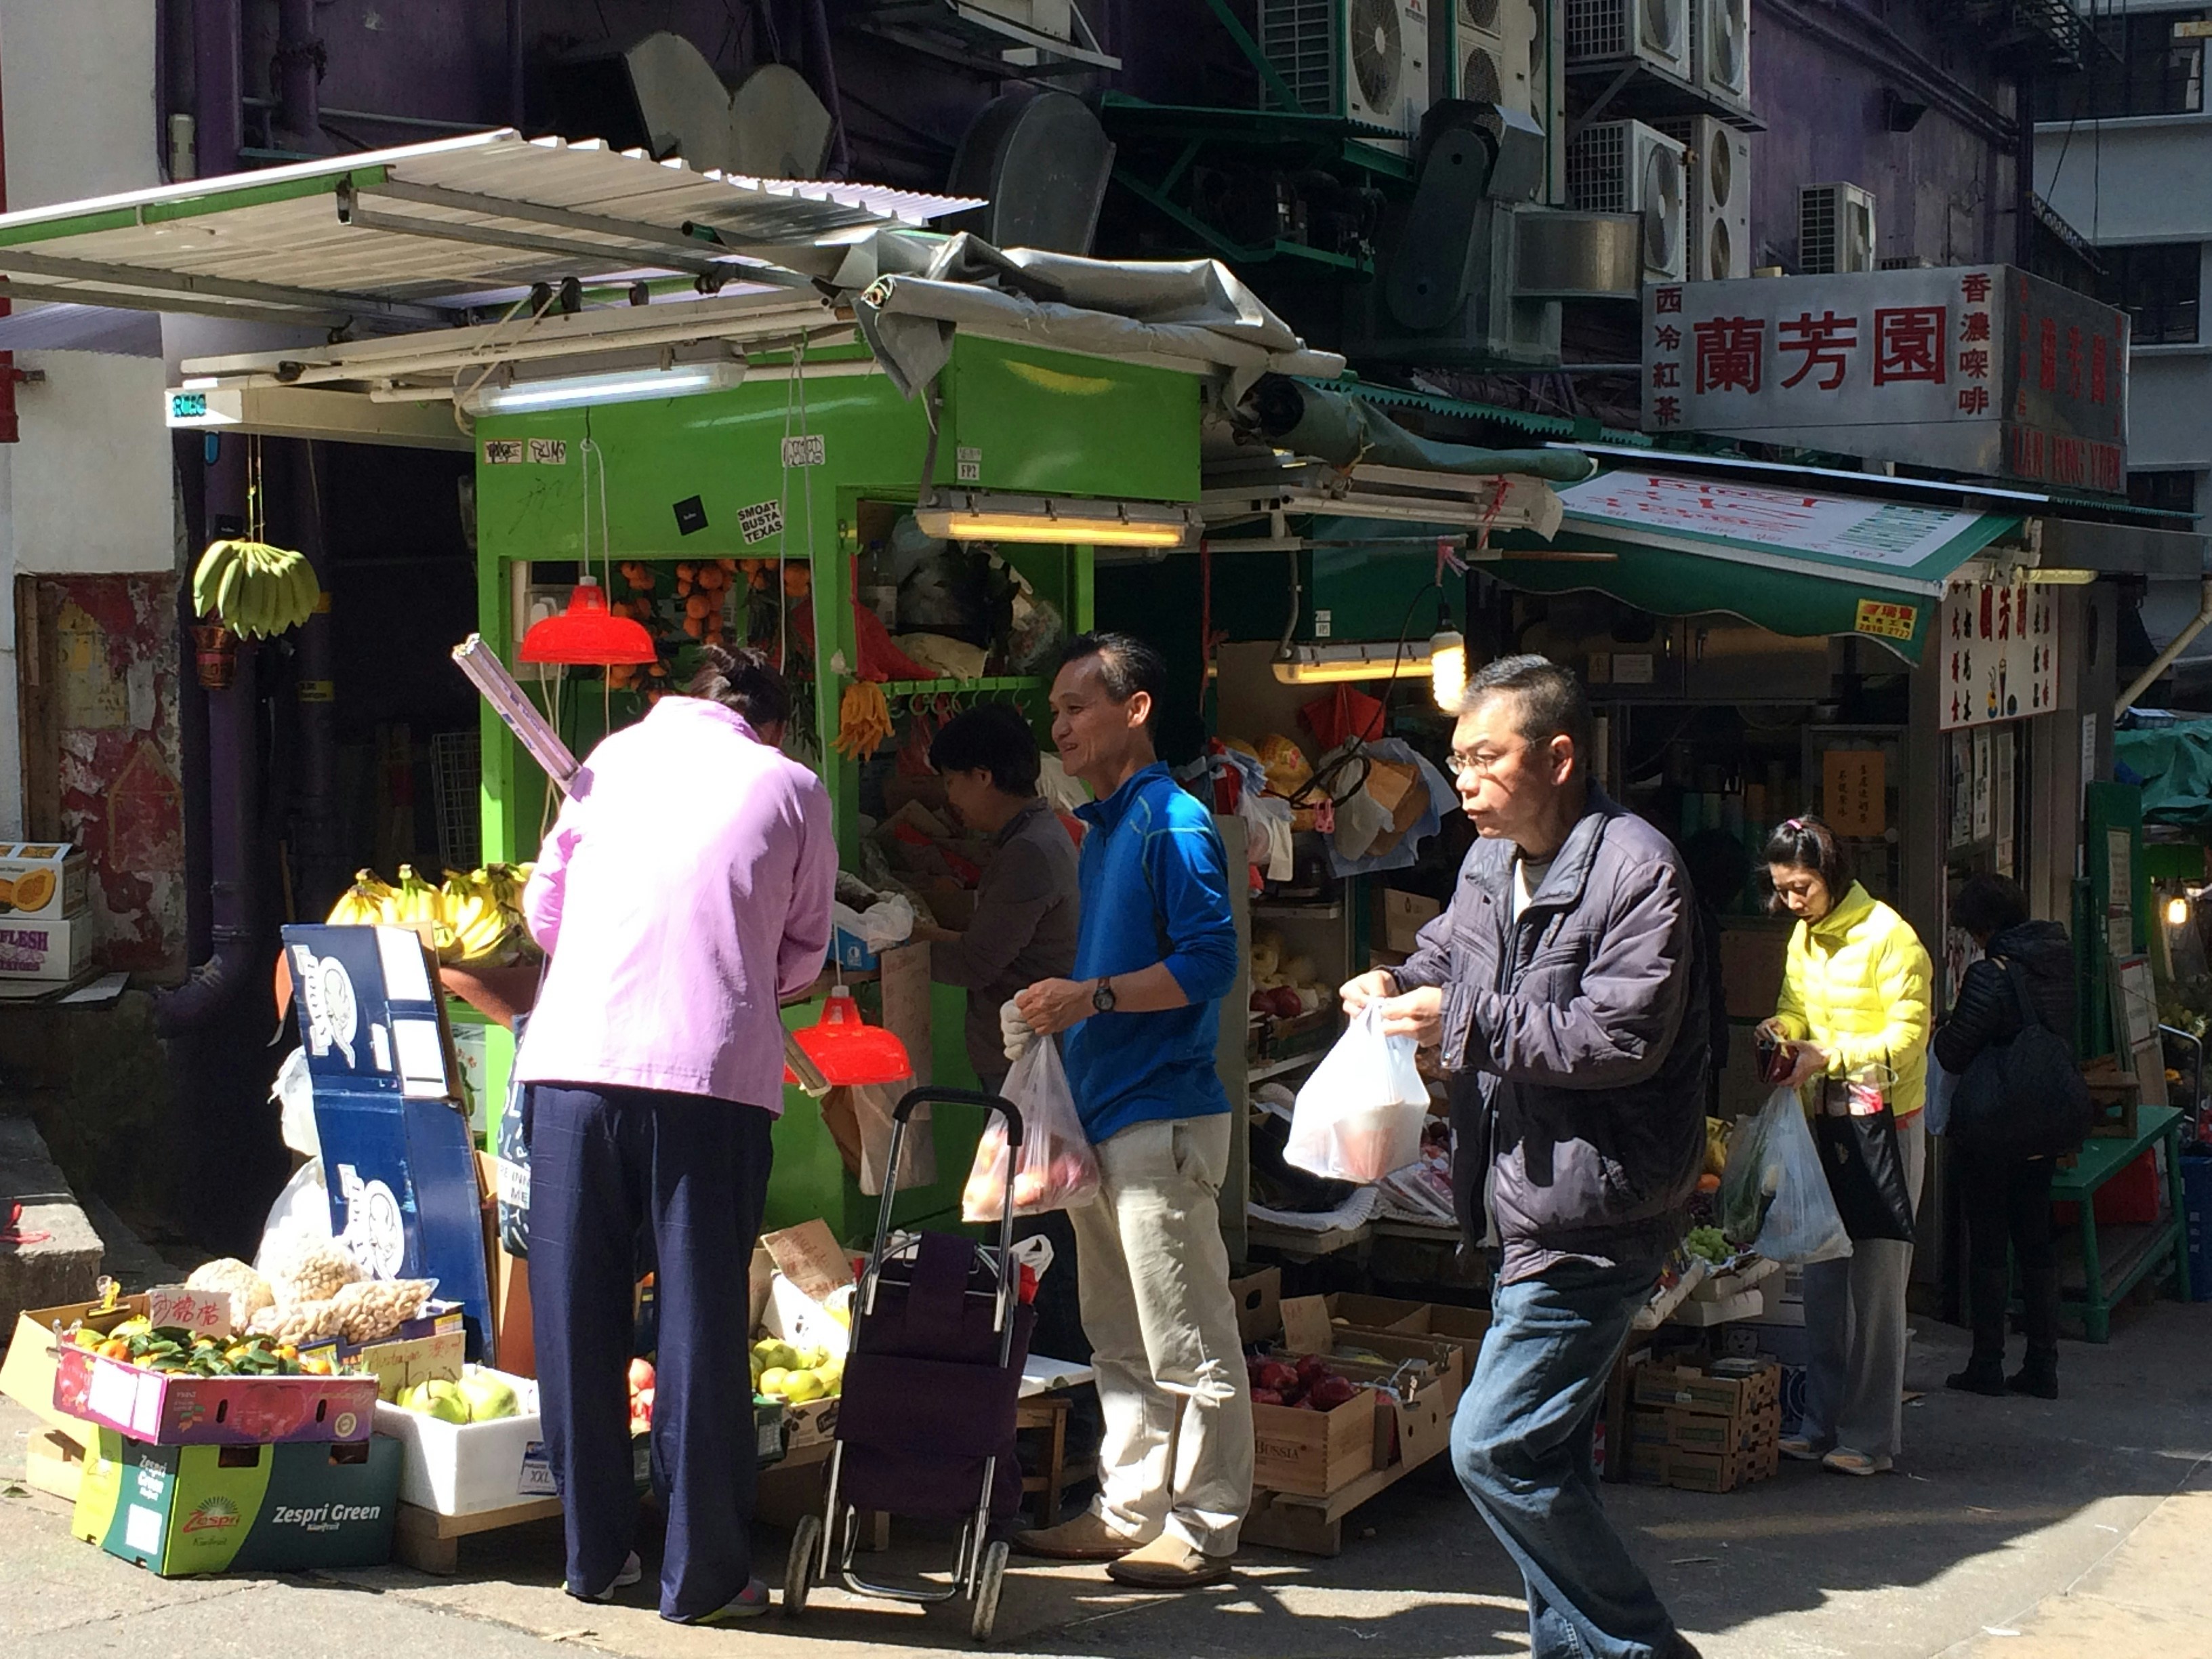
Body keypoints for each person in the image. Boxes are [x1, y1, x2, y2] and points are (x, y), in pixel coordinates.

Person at [1341, 653, 1708, 1659]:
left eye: (1485, 759)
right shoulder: (1481, 863)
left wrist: (1454, 1021)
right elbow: (1445, 963)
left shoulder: (1638, 871)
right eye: (1456, 758)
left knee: (1494, 1448)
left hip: (1599, 1208)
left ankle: (1644, 1651)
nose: (1463, 781)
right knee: (1547, 1461)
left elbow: (1619, 1037)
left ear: (1557, 756)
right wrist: (1388, 984)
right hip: (1519, 1200)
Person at [516, 644, 835, 1624]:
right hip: (711, 1081)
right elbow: (805, 953)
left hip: (573, 1069)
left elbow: (543, 915)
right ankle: (701, 1580)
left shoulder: (606, 762)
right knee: (700, 1327)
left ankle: (592, 1557)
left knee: (577, 1318)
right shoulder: (793, 786)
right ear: (767, 725)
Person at [1004, 630, 1249, 1591]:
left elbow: (1211, 965)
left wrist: (1092, 997)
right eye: (1056, 712)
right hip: (1102, 1116)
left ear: (1135, 710)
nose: (1059, 726)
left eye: (1076, 706)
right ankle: (1126, 1510)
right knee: (1118, 1333)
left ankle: (1204, 1523)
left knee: (1189, 1334)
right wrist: (1058, 1006)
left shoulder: (1172, 822)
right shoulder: (1103, 828)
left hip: (1162, 1112)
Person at [1758, 816, 1933, 1477]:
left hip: (1885, 1128)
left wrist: (1825, 1055)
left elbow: (1907, 1038)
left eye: (1800, 887)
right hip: (1823, 1122)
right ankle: (1820, 1421)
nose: (1792, 902)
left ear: (1831, 875)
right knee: (1825, 1281)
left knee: (1878, 1288)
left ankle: (1869, 1437)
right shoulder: (1805, 938)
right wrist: (1781, 1032)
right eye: (1782, 890)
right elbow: (1792, 1005)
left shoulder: (1892, 938)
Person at [1932, 873, 2072, 1400]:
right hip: (2043, 1119)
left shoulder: (1991, 973)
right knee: (2036, 1241)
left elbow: (1954, 1051)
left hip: (1994, 1124)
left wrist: (1942, 1028)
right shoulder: (2056, 959)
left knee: (1989, 1244)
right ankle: (2043, 1365)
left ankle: (1987, 1362)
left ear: (1982, 926)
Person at [914, 701, 1080, 1093]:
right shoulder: (1037, 835)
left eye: (953, 781)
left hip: (1030, 1057)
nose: (950, 798)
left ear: (983, 776)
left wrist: (892, 949)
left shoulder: (1029, 852)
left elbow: (975, 964)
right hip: (1026, 1049)